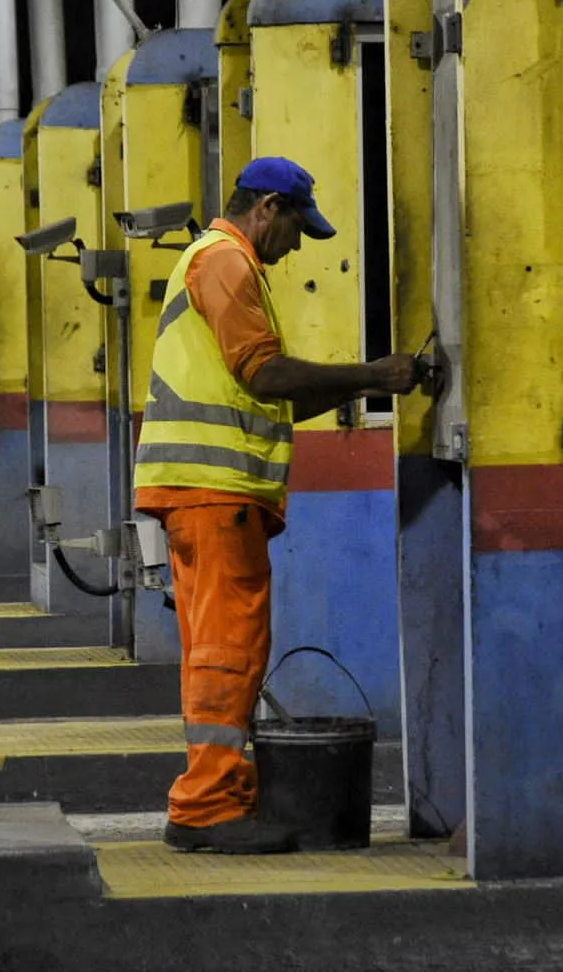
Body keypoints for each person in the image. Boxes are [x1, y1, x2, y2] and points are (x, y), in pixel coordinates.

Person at [134, 157, 418, 854]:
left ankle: (219, 794)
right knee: (229, 649)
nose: (295, 247)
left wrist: (371, 384)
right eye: (296, 227)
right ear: (267, 208)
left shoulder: (226, 264)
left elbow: (277, 392)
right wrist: (372, 373)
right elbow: (266, 373)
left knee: (222, 647)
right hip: (212, 491)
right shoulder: (225, 262)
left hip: (207, 493)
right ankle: (206, 807)